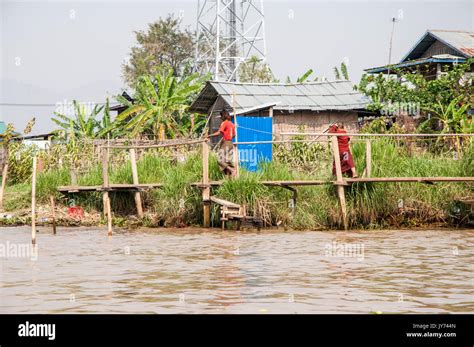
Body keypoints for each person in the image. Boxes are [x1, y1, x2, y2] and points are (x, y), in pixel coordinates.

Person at [206, 110, 236, 177]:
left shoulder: (224, 123)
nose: (220, 118)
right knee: (227, 160)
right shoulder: (231, 124)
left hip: (226, 144)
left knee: (220, 160)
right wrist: (226, 136)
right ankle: (229, 178)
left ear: (223, 116)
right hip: (231, 143)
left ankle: (232, 170)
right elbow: (234, 135)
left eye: (221, 116)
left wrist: (208, 136)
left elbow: (218, 133)